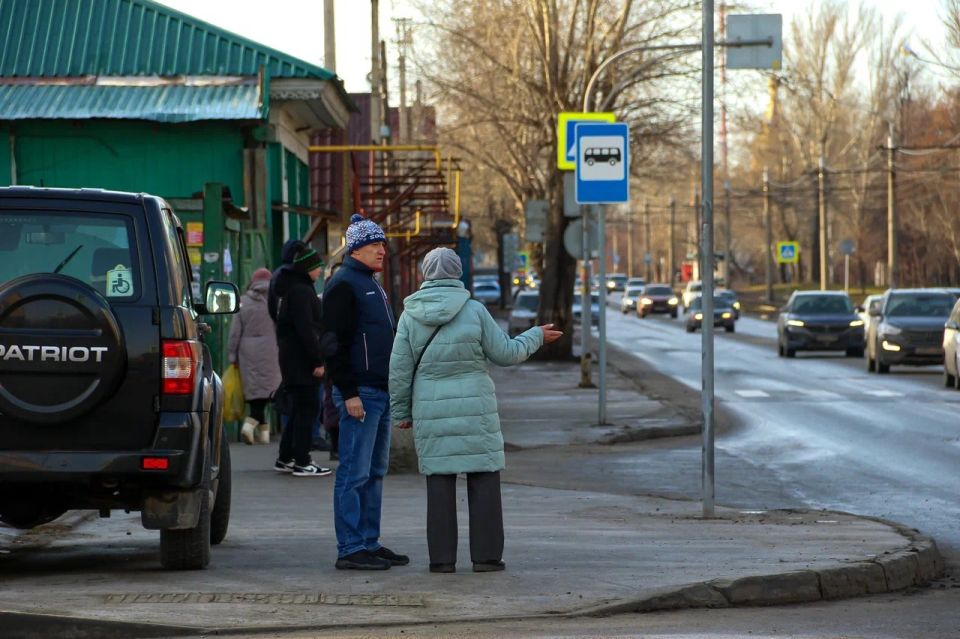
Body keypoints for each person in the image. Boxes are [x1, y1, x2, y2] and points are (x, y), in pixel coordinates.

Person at [389, 247, 561, 574]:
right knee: (483, 480)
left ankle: (442, 560)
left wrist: (401, 413)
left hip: (430, 407)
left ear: (426, 274)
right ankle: (486, 557)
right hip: (475, 407)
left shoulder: (410, 315)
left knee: (439, 484)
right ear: (458, 272)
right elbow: (506, 353)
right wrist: (536, 336)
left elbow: (399, 369)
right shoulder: (475, 311)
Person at [323, 214, 408, 571]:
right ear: (356, 249)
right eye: (375, 245)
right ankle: (350, 547)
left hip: (380, 391)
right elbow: (332, 344)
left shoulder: (371, 283)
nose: (382, 251)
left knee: (374, 472)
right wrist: (348, 391)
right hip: (360, 393)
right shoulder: (344, 284)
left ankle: (369, 541)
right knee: (354, 473)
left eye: (383, 244)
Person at [271, 245, 332, 477]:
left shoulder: (291, 289)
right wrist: (317, 360)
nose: (319, 272)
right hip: (302, 361)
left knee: (298, 410)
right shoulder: (303, 292)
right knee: (308, 409)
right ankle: (302, 460)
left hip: (291, 359)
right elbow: (307, 330)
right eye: (317, 267)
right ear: (308, 268)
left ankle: (286, 457)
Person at [227, 267, 281, 445]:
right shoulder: (275, 301)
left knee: (254, 391)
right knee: (267, 391)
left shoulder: (243, 302)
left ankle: (262, 433)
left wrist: (232, 355)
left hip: (247, 351)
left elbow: (235, 332)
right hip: (270, 349)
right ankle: (250, 427)